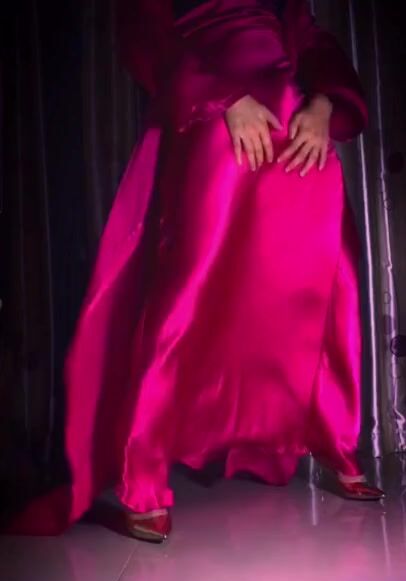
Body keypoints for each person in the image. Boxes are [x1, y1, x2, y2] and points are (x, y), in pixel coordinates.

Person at [6, 0, 385, 540]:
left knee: (324, 279)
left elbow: (311, 39)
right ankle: (143, 473)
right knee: (191, 292)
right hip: (213, 115)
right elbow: (144, 35)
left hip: (295, 115)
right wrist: (223, 98)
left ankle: (334, 443)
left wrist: (326, 102)